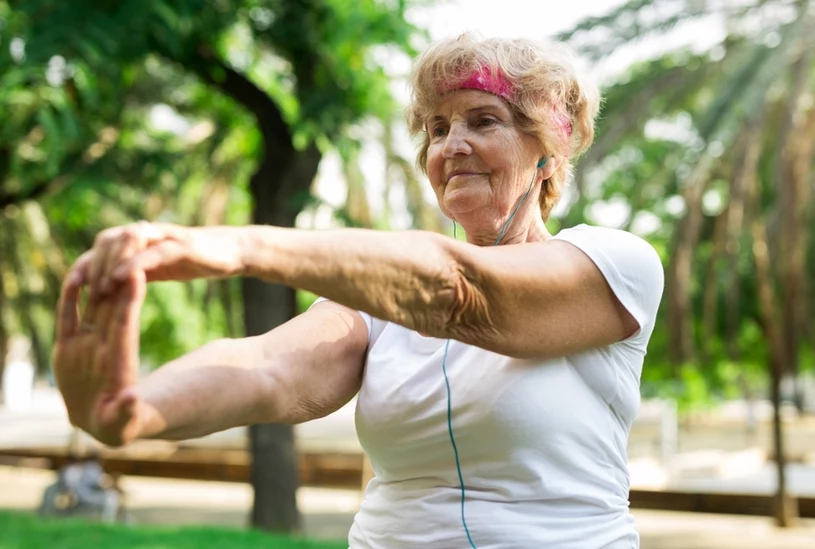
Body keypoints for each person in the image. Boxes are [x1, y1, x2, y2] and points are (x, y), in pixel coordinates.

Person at [54, 32, 664, 549]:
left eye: (484, 121)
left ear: (547, 156)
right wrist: (135, 407)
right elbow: (269, 370)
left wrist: (238, 247)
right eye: (438, 127)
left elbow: (461, 291)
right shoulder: (383, 293)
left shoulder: (614, 263)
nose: (452, 146)